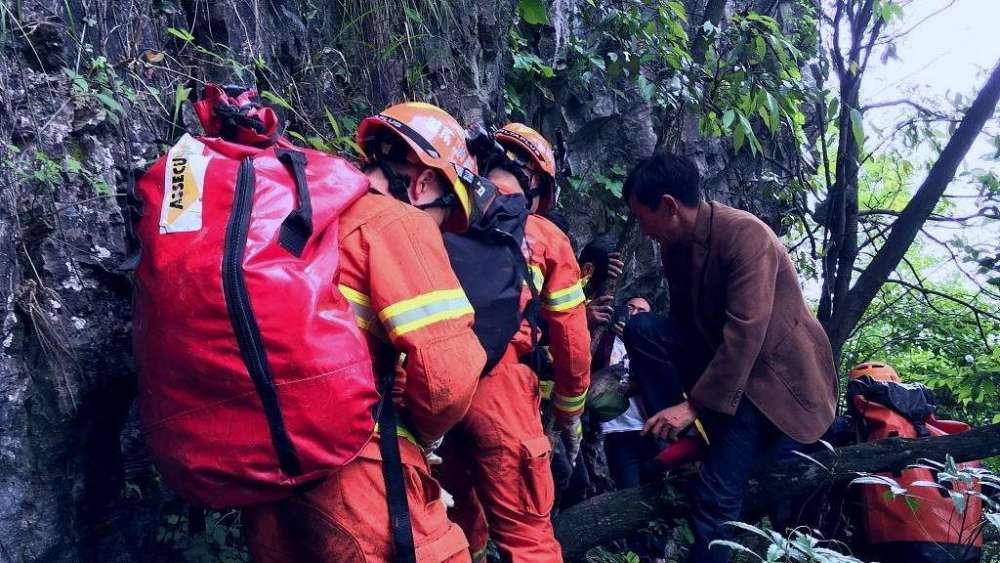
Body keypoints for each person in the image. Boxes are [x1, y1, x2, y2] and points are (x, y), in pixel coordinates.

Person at [242, 102, 487, 563]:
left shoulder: (299, 210)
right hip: (355, 469)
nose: (439, 227)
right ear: (425, 181)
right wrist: (427, 436)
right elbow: (447, 380)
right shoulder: (396, 221)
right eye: (445, 211)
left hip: (267, 469)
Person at [620, 153, 838, 563]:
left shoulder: (745, 236)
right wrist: (651, 380)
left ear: (668, 206)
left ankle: (706, 436)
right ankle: (692, 439)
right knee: (642, 329)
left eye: (641, 216)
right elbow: (684, 324)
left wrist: (693, 405)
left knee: (715, 500)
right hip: (725, 371)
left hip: (768, 384)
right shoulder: (676, 246)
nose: (642, 229)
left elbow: (745, 333)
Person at [437, 123, 590, 562]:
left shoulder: (441, 207)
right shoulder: (545, 236)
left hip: (431, 376)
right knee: (527, 536)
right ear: (538, 186)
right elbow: (571, 340)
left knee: (449, 523)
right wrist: (569, 413)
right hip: (500, 387)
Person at [596, 296, 657, 491]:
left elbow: (661, 379)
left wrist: (635, 342)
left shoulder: (654, 347)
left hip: (647, 428)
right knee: (628, 490)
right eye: (631, 307)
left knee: (657, 487)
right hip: (614, 430)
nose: (634, 313)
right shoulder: (602, 340)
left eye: (642, 311)